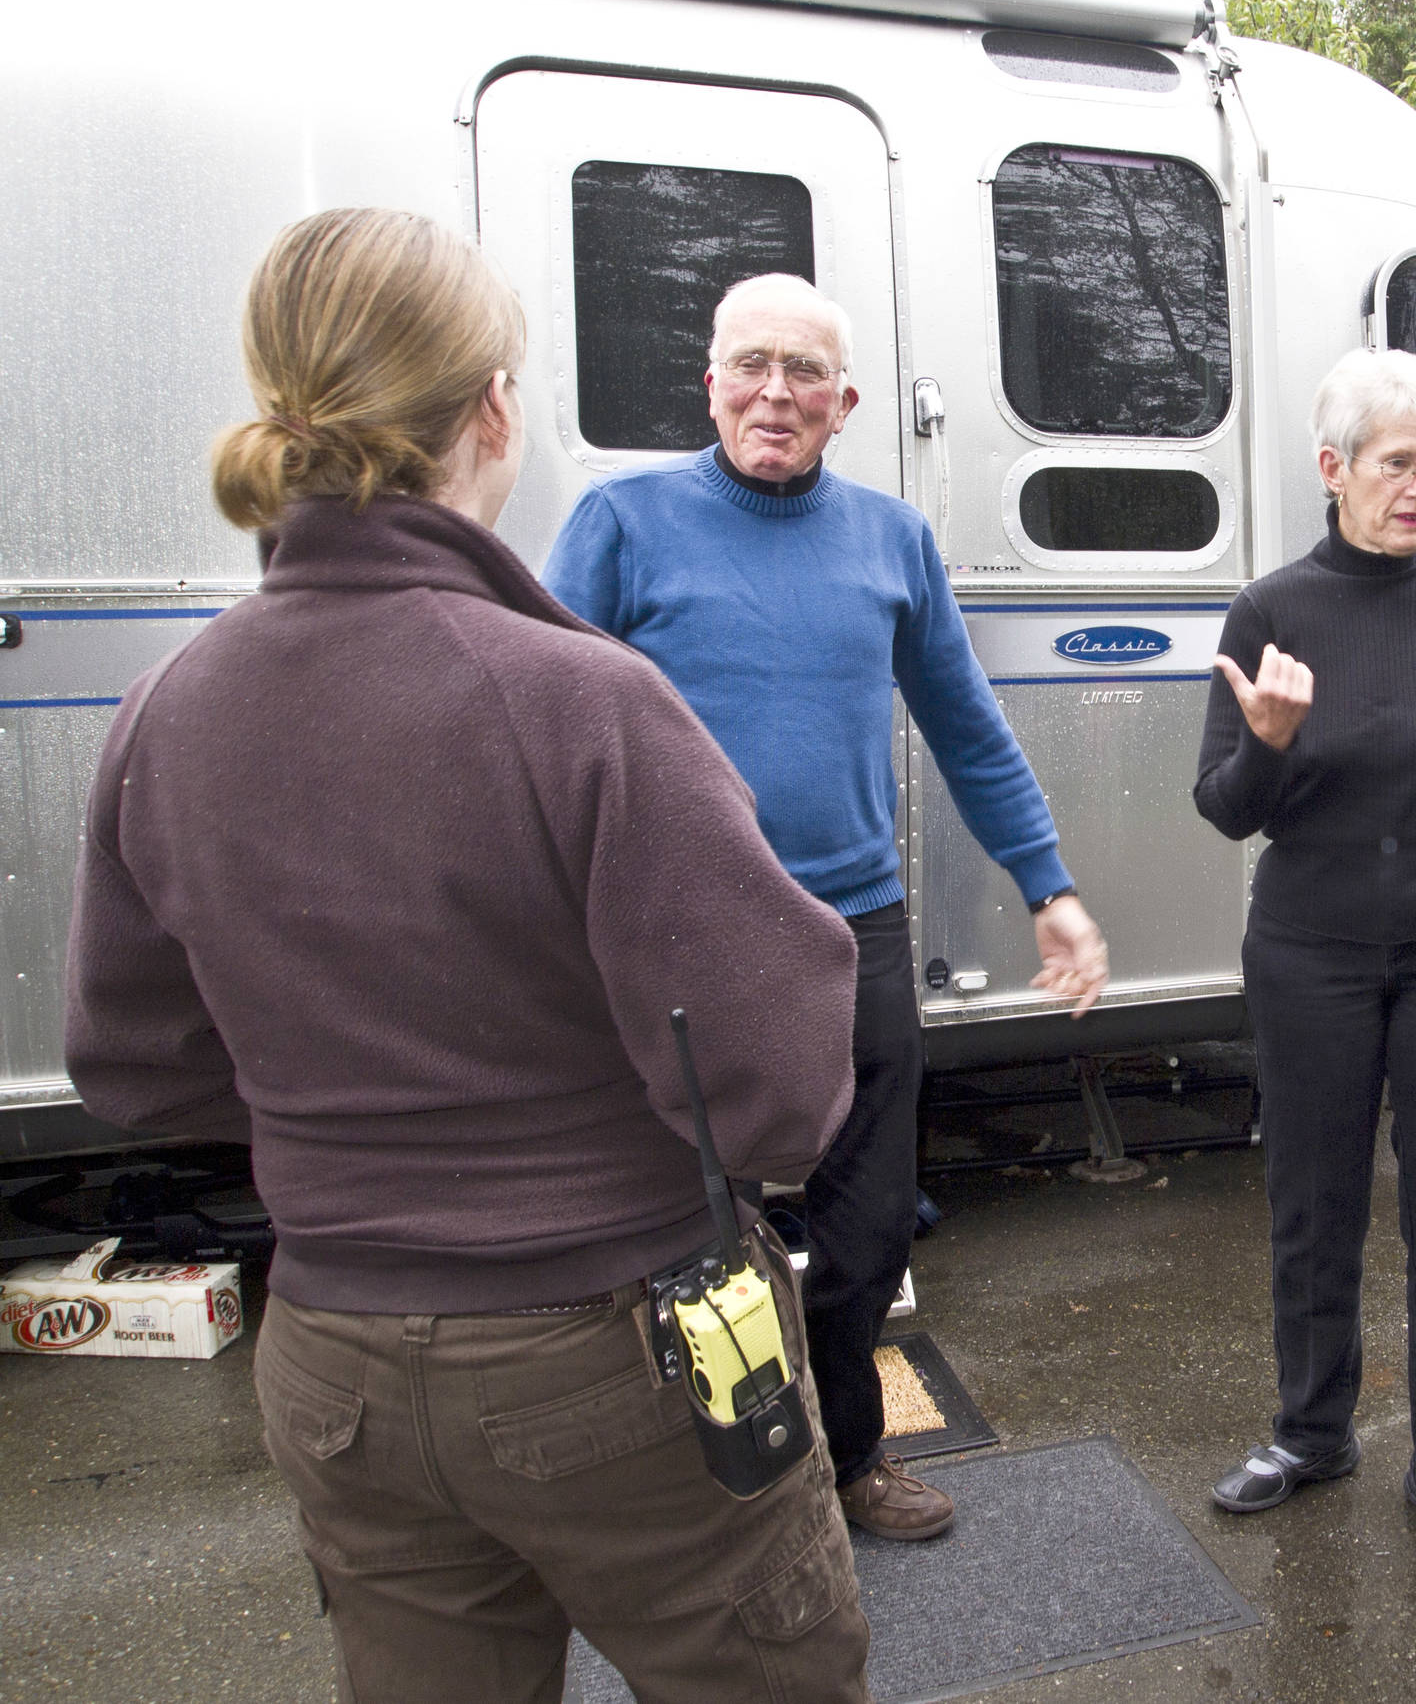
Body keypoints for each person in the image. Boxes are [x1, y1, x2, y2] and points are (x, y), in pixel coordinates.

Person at [63, 210, 872, 1704]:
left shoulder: (166, 707)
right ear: (494, 408)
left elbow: (132, 1061)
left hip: (333, 1359)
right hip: (611, 1351)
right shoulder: (580, 700)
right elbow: (772, 1088)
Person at [544, 272, 1108, 1542]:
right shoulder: (620, 524)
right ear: (708, 382)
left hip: (855, 929)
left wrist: (1049, 888)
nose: (775, 393)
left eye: (805, 373)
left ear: (846, 402)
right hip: (683, 939)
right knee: (685, 1230)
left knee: (863, 1225)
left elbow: (966, 727)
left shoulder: (890, 539)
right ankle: (699, 1480)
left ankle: (849, 1462)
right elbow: (541, 726)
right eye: (751, 365)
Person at [1194, 347, 1416, 1566]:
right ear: (1331, 468)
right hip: (1311, 950)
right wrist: (1270, 745)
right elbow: (1226, 807)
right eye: (1395, 462)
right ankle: (1310, 1432)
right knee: (1312, 1207)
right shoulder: (1272, 610)